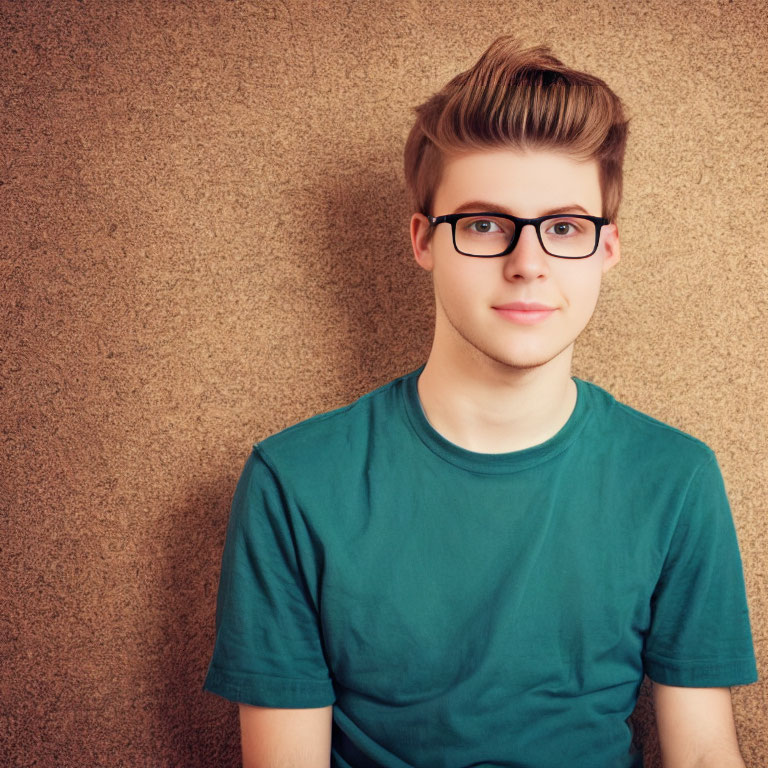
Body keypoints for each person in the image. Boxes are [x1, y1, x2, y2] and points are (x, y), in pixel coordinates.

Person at [203, 36, 757, 768]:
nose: (527, 264)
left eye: (563, 228)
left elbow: (702, 756)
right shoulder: (295, 481)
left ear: (607, 248)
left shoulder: (676, 478)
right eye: (486, 224)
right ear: (424, 240)